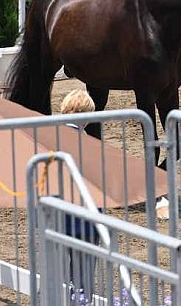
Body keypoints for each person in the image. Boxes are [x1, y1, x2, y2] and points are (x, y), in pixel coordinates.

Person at [60, 88, 99, 304]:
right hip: (84, 217)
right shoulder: (88, 144)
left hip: (58, 216)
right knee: (84, 269)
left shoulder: (50, 136)